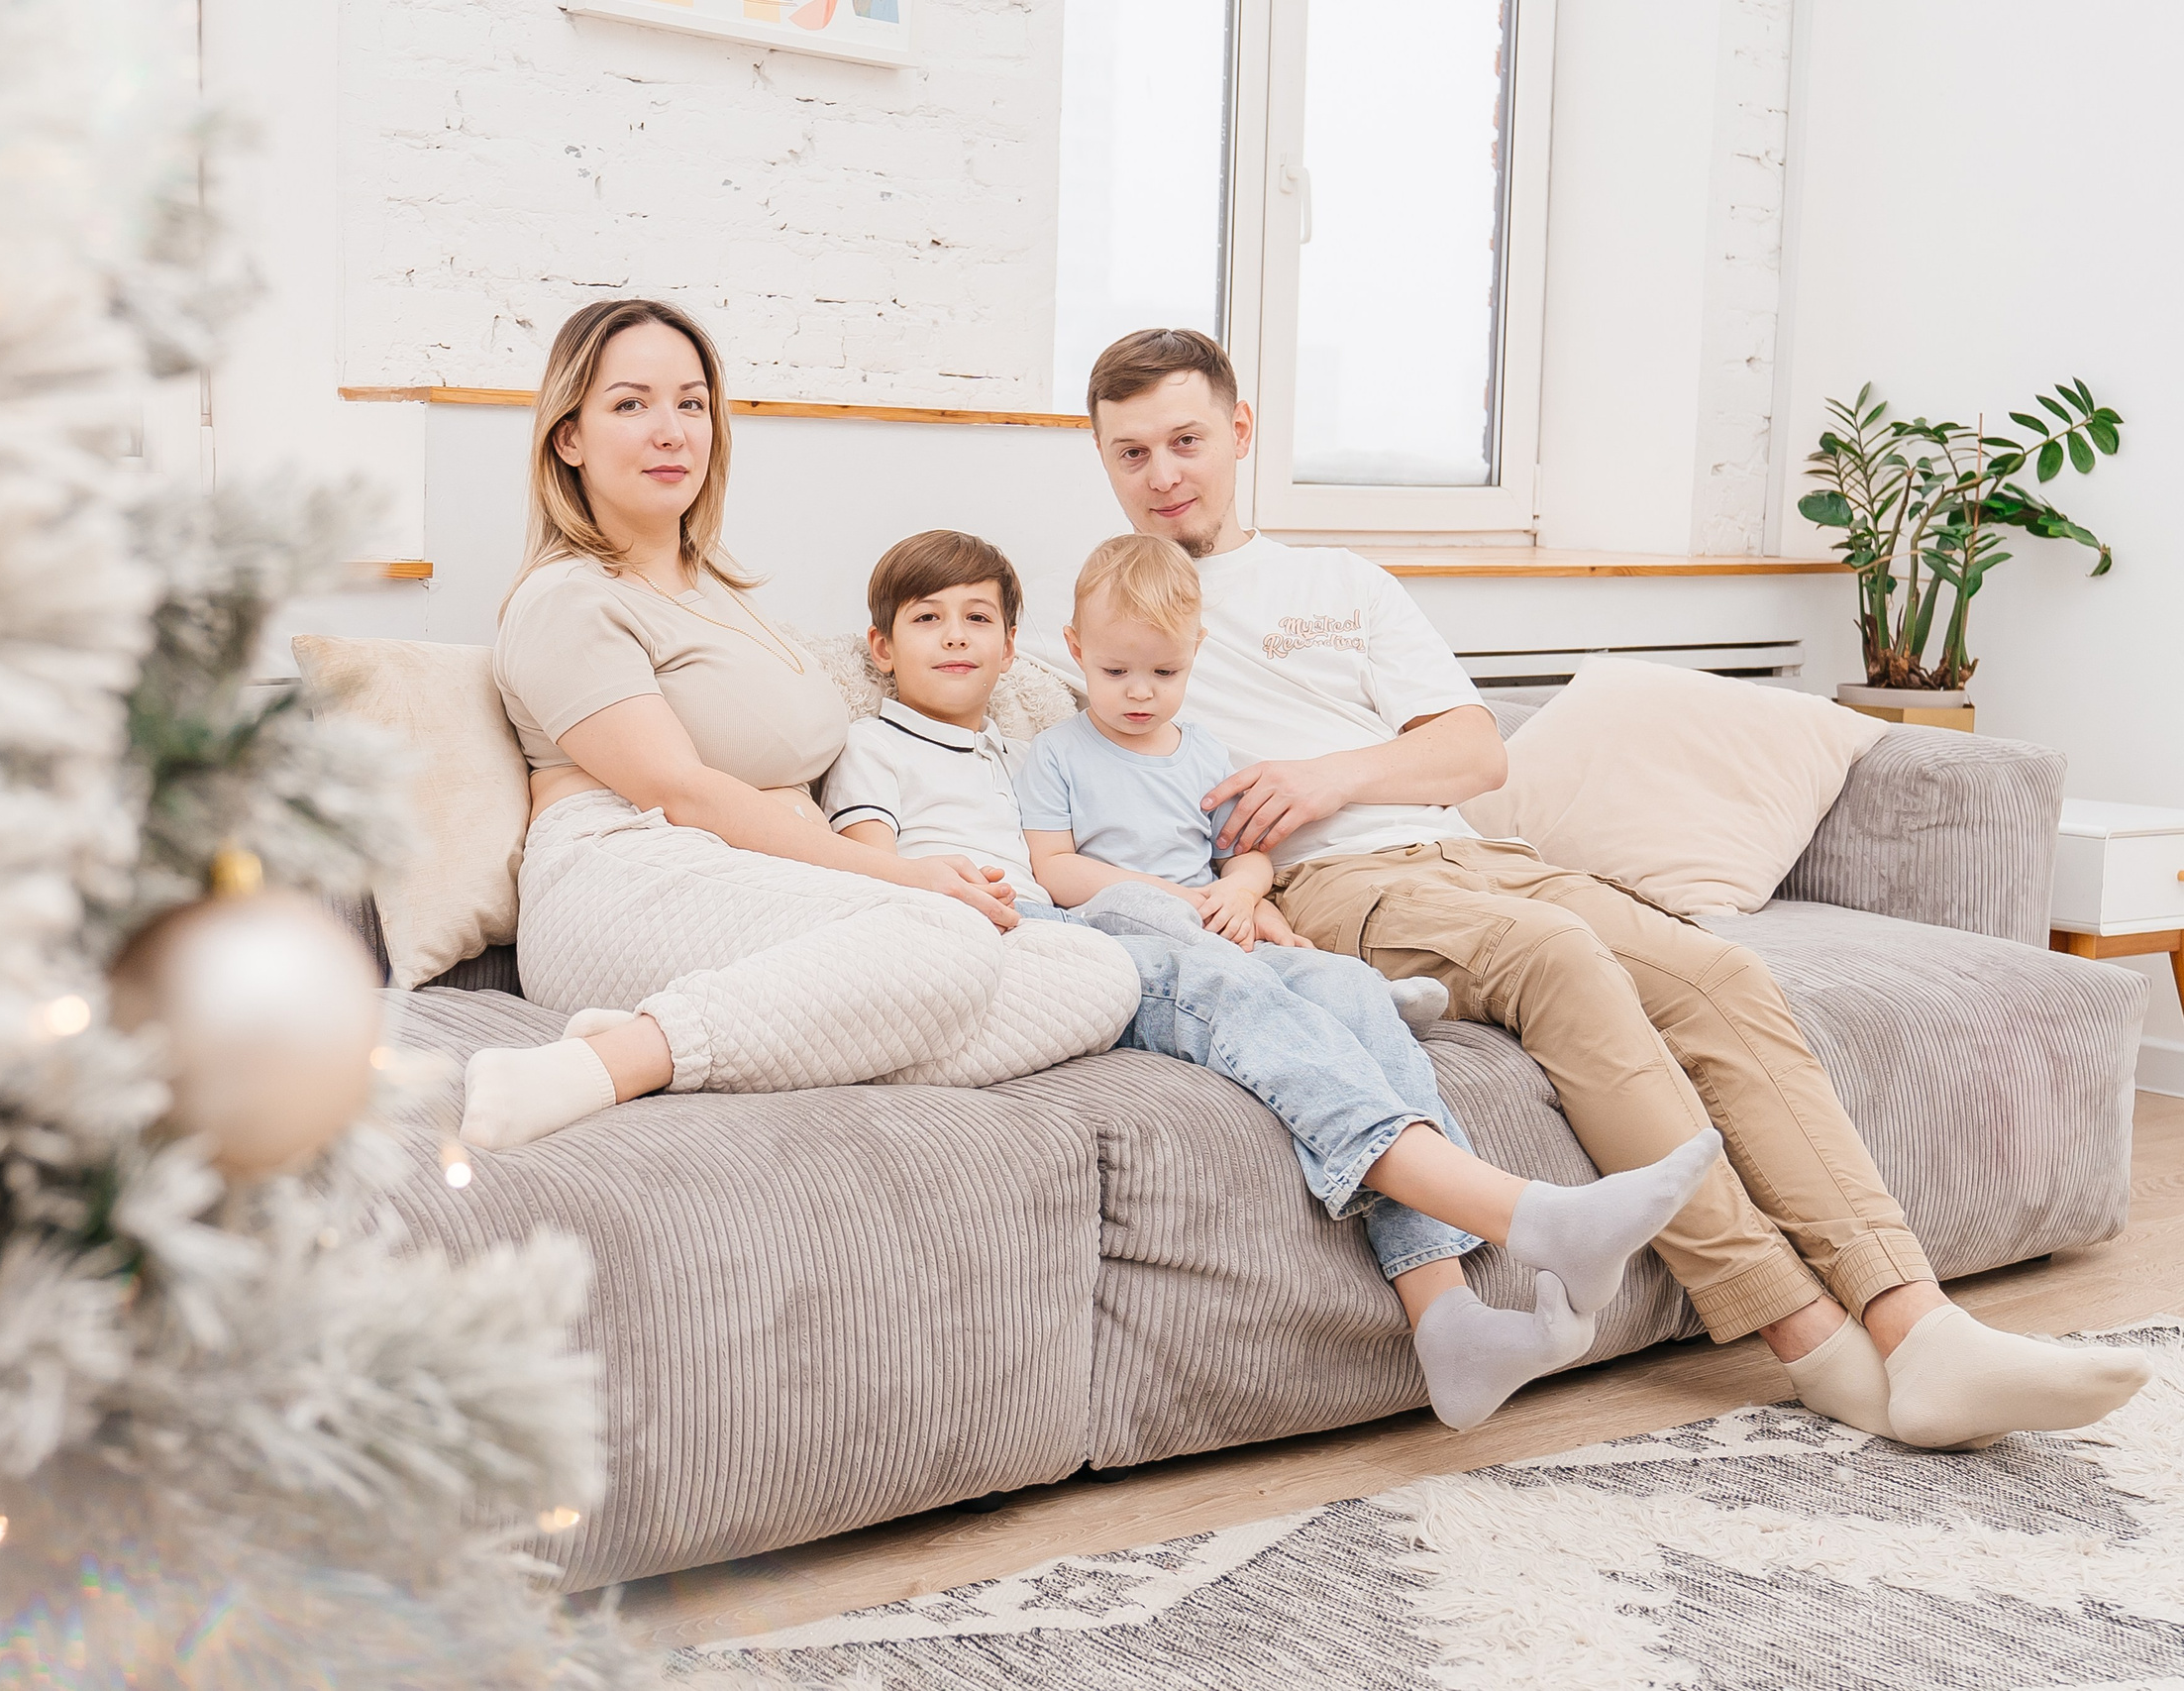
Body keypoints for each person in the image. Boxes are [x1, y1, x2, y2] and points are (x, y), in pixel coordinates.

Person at [1021, 326, 2152, 1451]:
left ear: (1239, 432)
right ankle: (1806, 1338)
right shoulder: (1111, 622)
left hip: (1469, 849)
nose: (1163, 475)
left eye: (1184, 440)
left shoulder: (1339, 583)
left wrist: (1330, 773)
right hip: (1330, 889)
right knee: (1558, 963)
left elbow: (1474, 751)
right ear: (1103, 460)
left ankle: (1918, 1326)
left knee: (1714, 973)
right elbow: (1011, 764)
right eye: (1130, 453)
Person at [824, 527, 1722, 1430]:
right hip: (1053, 939)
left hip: (1118, 924)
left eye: (977, 617)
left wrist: (1241, 895)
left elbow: (1196, 844)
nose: (954, 636)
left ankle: (1445, 1315)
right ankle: (1535, 1219)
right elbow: (891, 862)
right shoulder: (879, 743)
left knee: (1348, 992)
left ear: (1017, 647)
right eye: (927, 618)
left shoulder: (1011, 746)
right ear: (880, 645)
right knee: (1225, 972)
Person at [462, 299, 1137, 1150]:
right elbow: (678, 790)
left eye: (692, 403)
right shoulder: (568, 597)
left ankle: (732, 1037)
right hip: (618, 877)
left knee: (1096, 971)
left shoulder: (716, 594)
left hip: (744, 880)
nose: (671, 430)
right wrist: (892, 875)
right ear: (570, 438)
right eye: (630, 404)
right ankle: (607, 1061)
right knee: (944, 936)